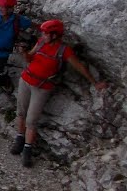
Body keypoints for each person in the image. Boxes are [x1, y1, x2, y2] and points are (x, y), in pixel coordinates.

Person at [11, 19, 108, 167]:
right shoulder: (41, 42)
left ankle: (27, 149)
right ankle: (19, 138)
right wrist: (24, 53)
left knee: (31, 119)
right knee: (21, 112)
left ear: (55, 35)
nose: (43, 35)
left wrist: (95, 83)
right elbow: (30, 58)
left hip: (42, 87)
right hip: (26, 80)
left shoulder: (64, 51)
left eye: (46, 33)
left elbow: (80, 67)